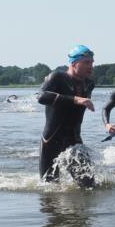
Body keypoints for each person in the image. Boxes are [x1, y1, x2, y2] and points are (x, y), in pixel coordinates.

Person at [37, 44, 97, 186]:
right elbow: (41, 97)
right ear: (73, 63)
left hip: (74, 141)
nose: (91, 66)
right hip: (51, 141)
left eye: (92, 62)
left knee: (89, 186)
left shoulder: (89, 83)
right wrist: (75, 99)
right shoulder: (57, 77)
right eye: (86, 62)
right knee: (50, 188)